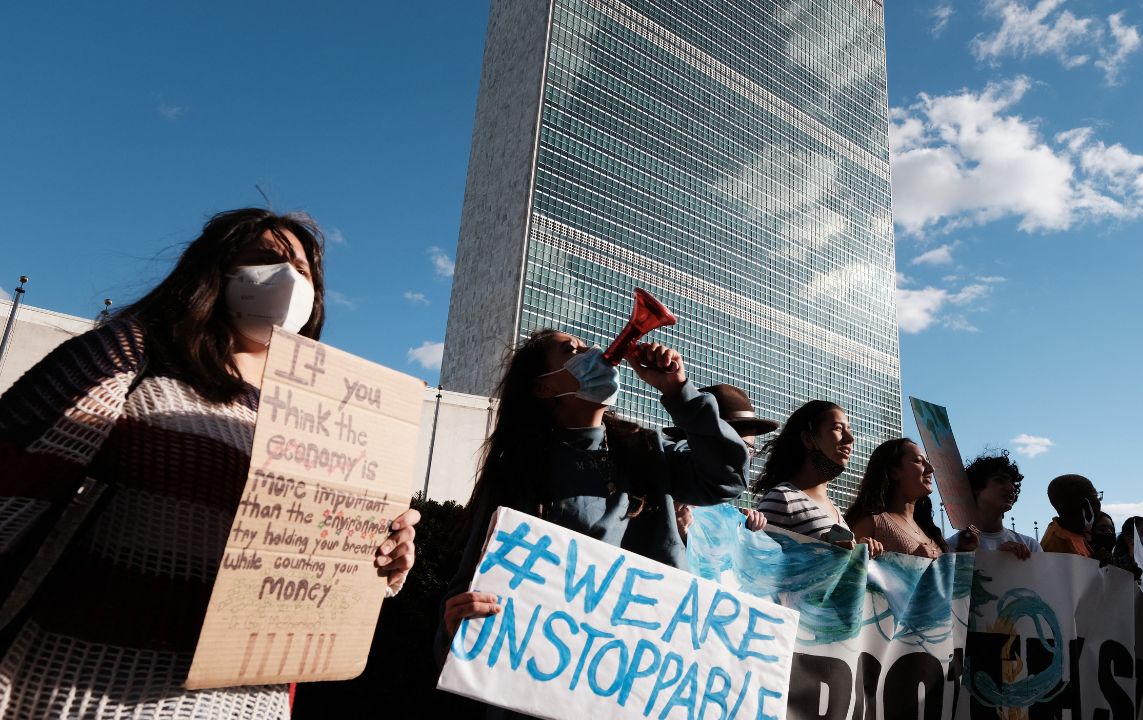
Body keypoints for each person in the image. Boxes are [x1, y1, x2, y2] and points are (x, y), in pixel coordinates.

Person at [0, 208, 418, 718]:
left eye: (304, 271)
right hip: (93, 684)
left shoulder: (330, 417)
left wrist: (383, 558)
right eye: (266, 259)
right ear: (213, 271)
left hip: (251, 700)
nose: (289, 279)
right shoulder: (132, 355)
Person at [440, 330, 749, 640]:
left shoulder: (649, 448)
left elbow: (728, 480)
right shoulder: (520, 471)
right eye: (572, 351)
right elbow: (473, 582)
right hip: (564, 655)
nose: (597, 352)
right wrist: (459, 625)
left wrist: (679, 391)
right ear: (543, 387)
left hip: (651, 651)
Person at [664, 384, 774, 537]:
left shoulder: (719, 505)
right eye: (739, 449)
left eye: (749, 450)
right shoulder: (659, 484)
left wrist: (738, 525)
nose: (744, 459)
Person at [844, 438, 978, 558]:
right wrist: (913, 562)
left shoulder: (929, 530)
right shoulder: (871, 522)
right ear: (894, 472)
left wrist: (964, 551)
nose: (931, 469)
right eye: (918, 461)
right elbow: (851, 577)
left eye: (928, 462)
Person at [752, 401, 855, 543]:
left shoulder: (836, 510)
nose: (850, 438)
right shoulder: (782, 498)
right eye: (837, 428)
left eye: (849, 429)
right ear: (808, 439)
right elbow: (759, 557)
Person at [946, 450, 1041, 558]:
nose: (1011, 488)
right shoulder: (951, 546)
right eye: (1000, 480)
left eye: (1012, 482)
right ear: (977, 487)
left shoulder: (1031, 546)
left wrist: (1017, 563)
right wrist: (965, 554)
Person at [1039, 474, 1101, 557]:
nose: (1099, 502)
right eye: (1096, 496)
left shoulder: (1075, 535)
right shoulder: (1058, 541)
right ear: (1085, 504)